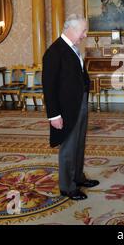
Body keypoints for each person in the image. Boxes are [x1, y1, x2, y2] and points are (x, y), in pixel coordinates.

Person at [42, 14, 99, 200]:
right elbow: (48, 87)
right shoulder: (54, 52)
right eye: (83, 31)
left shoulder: (73, 48)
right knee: (68, 147)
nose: (85, 35)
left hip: (79, 103)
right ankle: (67, 186)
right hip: (65, 109)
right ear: (71, 29)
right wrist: (54, 115)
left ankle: (78, 177)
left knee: (79, 144)